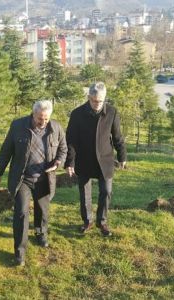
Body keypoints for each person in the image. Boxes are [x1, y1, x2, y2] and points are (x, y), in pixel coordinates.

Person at [0, 100, 67, 267]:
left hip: (44, 177)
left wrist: (57, 163)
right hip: (22, 178)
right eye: (40, 118)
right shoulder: (18, 126)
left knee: (42, 210)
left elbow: (63, 148)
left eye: (46, 119)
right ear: (32, 114)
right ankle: (20, 251)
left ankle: (41, 234)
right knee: (21, 213)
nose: (43, 122)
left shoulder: (56, 128)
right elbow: (6, 150)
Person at [65, 82, 127, 237]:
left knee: (106, 191)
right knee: (84, 193)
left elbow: (118, 137)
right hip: (84, 159)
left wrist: (122, 156)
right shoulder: (77, 113)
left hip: (105, 160)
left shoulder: (112, 112)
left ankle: (102, 221)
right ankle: (87, 221)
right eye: (94, 100)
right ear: (89, 97)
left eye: (100, 101)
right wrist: (70, 162)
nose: (97, 104)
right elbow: (71, 140)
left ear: (104, 98)